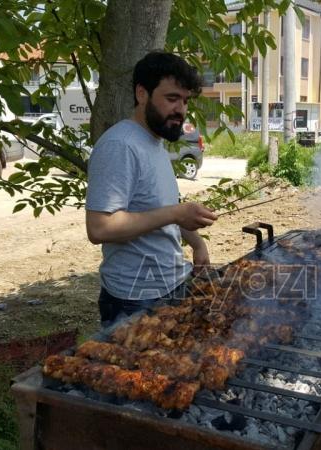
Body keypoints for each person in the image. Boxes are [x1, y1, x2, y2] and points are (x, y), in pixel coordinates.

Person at [85, 52, 217, 327]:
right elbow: (99, 228)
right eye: (172, 98)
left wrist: (197, 243)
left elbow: (164, 210)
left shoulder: (154, 142)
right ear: (142, 94)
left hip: (171, 284)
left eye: (185, 101)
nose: (181, 109)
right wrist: (177, 213)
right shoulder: (120, 145)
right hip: (134, 299)